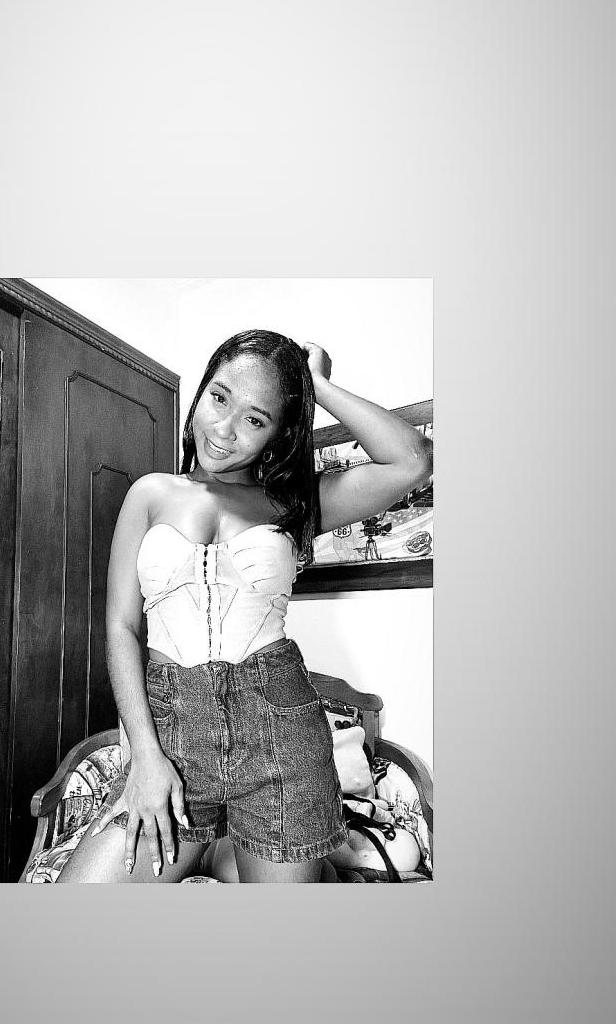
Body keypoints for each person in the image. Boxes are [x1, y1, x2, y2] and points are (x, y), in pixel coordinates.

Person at [57, 330, 432, 884]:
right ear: (201, 391)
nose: (225, 429)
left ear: (279, 433)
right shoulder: (151, 493)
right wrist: (146, 755)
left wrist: (316, 384)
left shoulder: (294, 503)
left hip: (281, 736)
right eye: (219, 398)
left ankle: (237, 852)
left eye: (256, 419)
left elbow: (411, 462)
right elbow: (121, 626)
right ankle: (219, 850)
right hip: (173, 733)